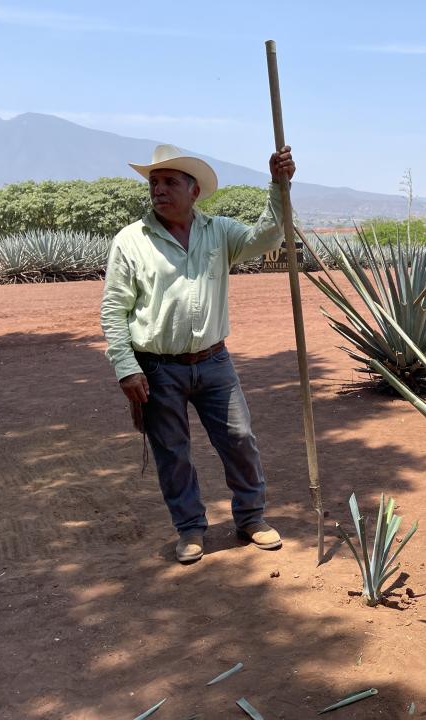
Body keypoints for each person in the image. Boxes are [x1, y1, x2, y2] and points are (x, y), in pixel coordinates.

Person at [100, 143, 295, 563]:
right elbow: (113, 309)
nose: (159, 190)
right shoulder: (131, 241)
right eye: (155, 182)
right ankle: (189, 528)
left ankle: (251, 518)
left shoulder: (220, 232)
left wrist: (279, 186)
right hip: (155, 368)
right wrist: (125, 368)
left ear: (194, 191)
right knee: (172, 452)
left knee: (240, 439)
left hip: (214, 362)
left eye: (170, 182)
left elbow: (267, 236)